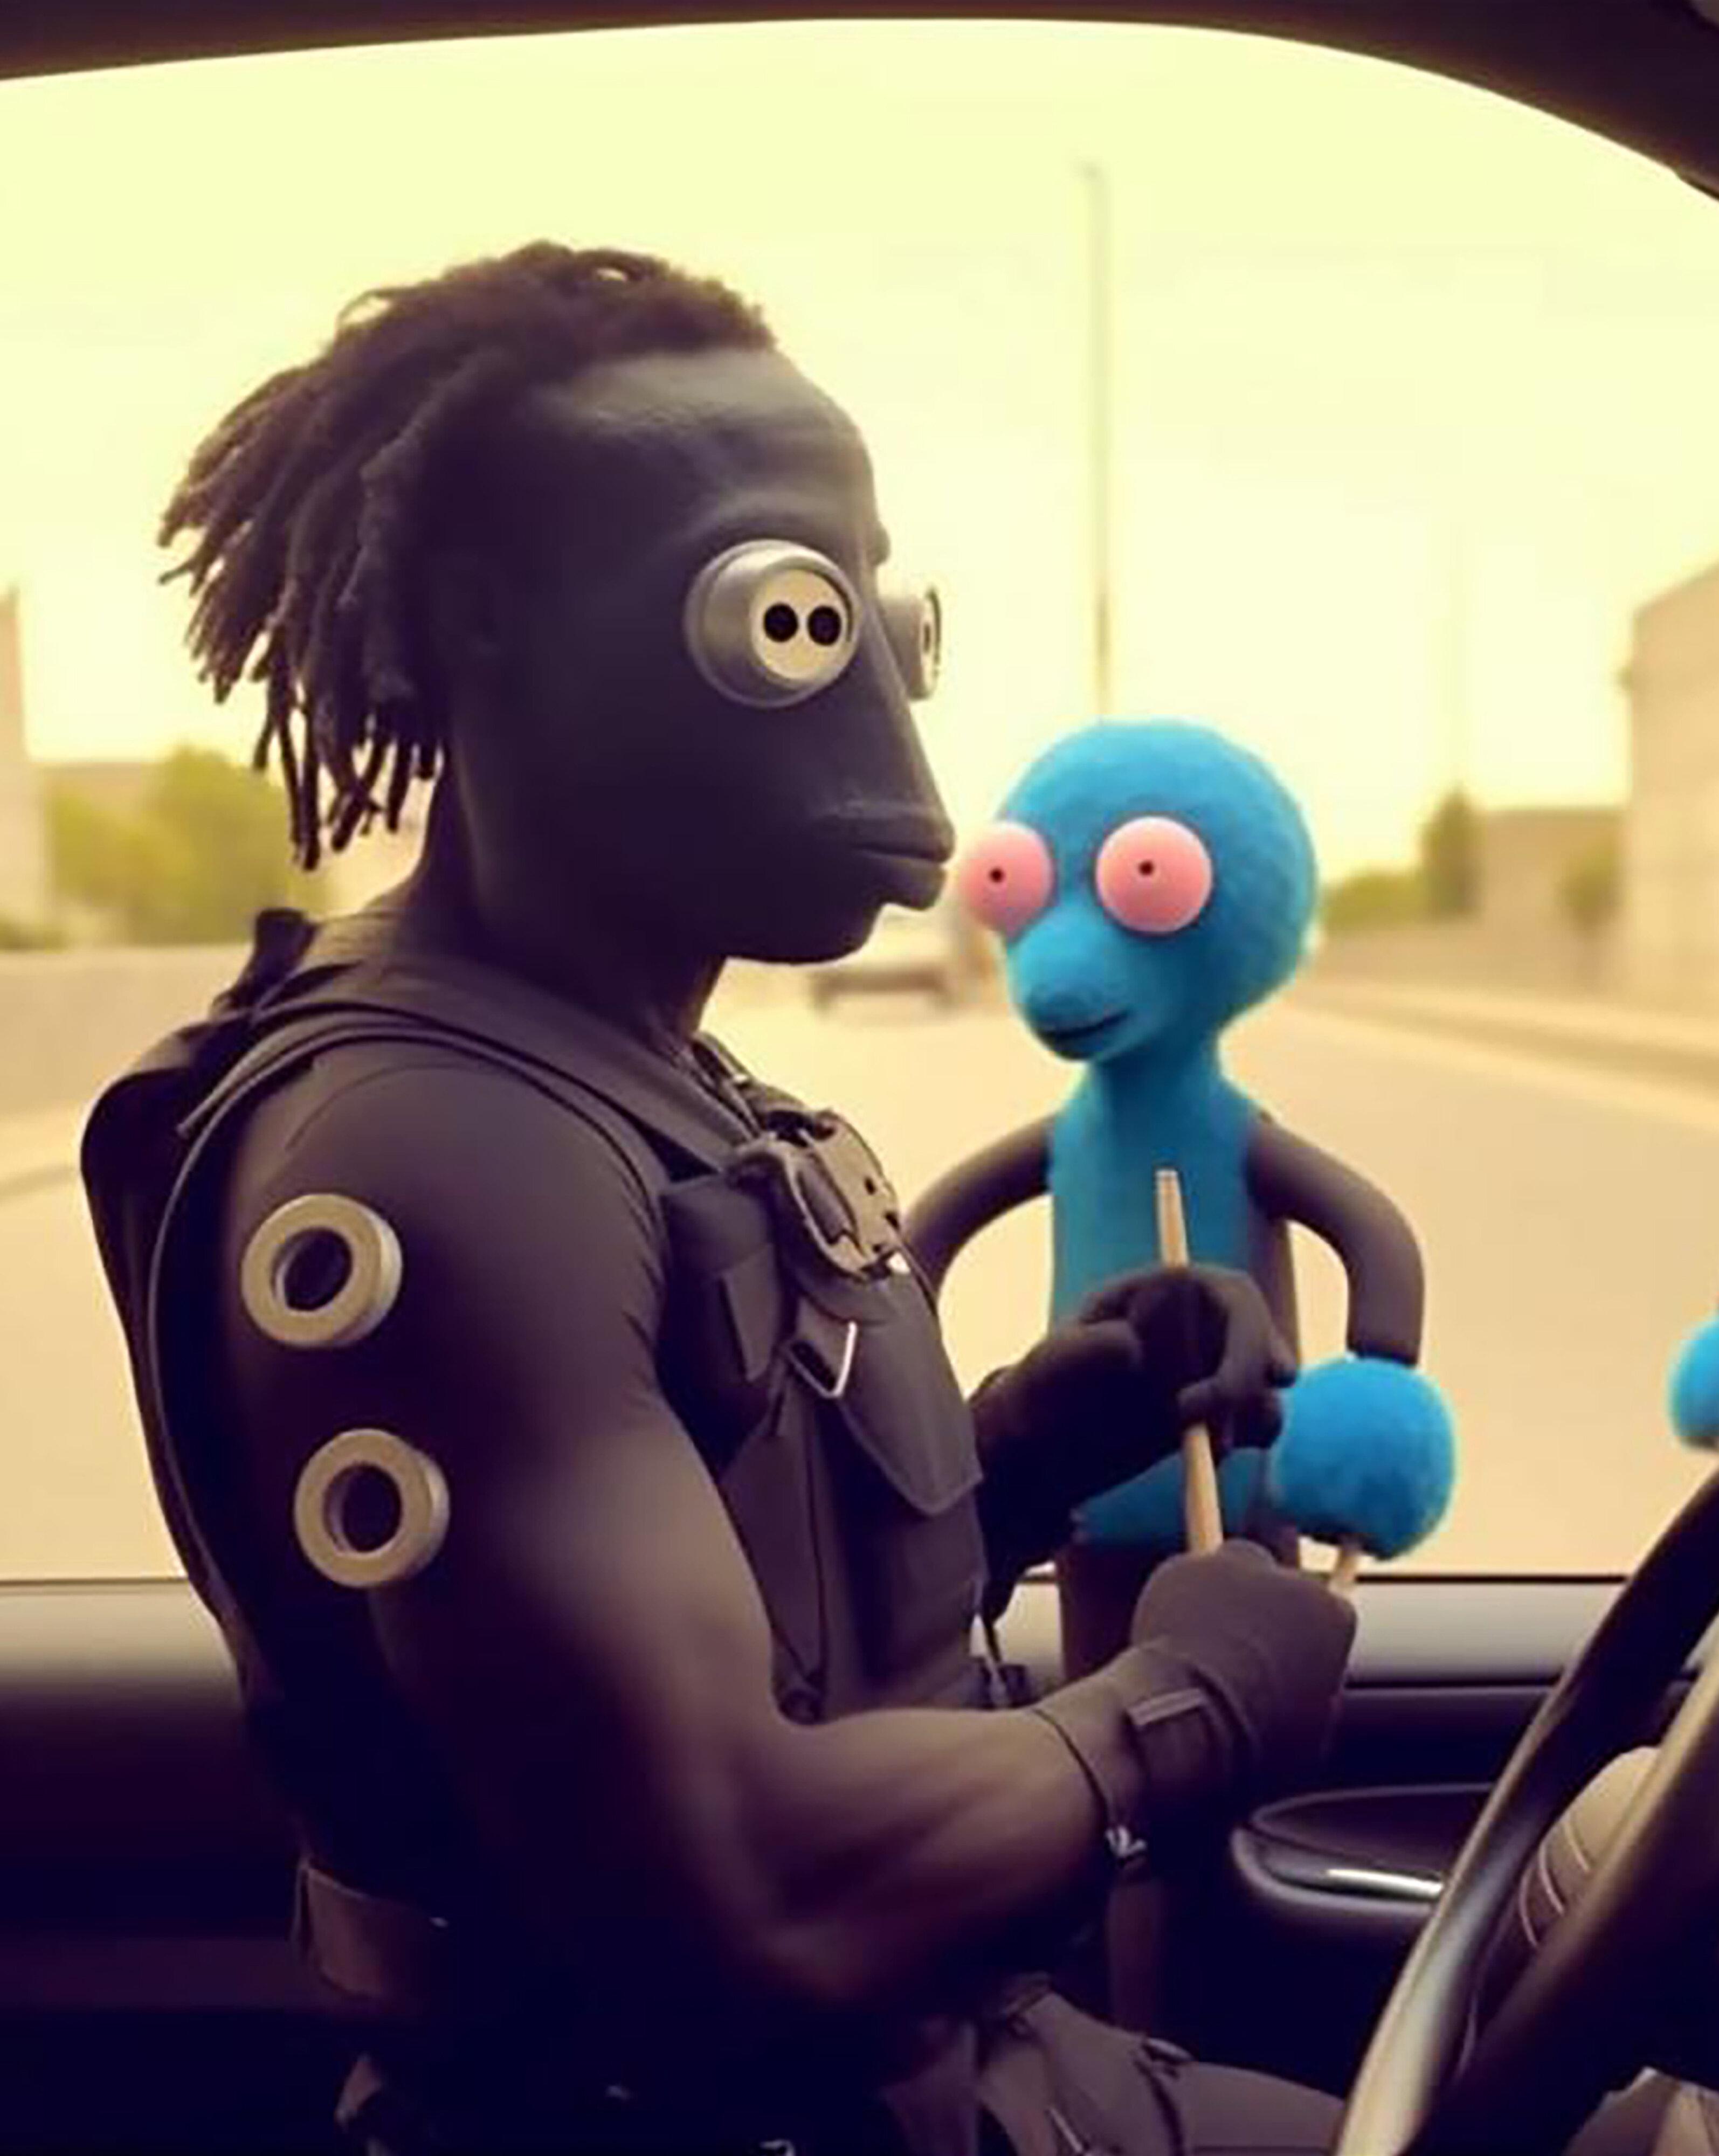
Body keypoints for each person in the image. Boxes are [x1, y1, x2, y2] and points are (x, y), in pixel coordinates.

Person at [87, 243, 1356, 2156]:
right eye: (776, 611)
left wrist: (1031, 1443)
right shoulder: (437, 1153)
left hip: (946, 2079)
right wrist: (1188, 1708)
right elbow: (752, 1890)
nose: (866, 699)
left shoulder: (624, 1076)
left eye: (875, 612)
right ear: (483, 626)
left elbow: (732, 1616)